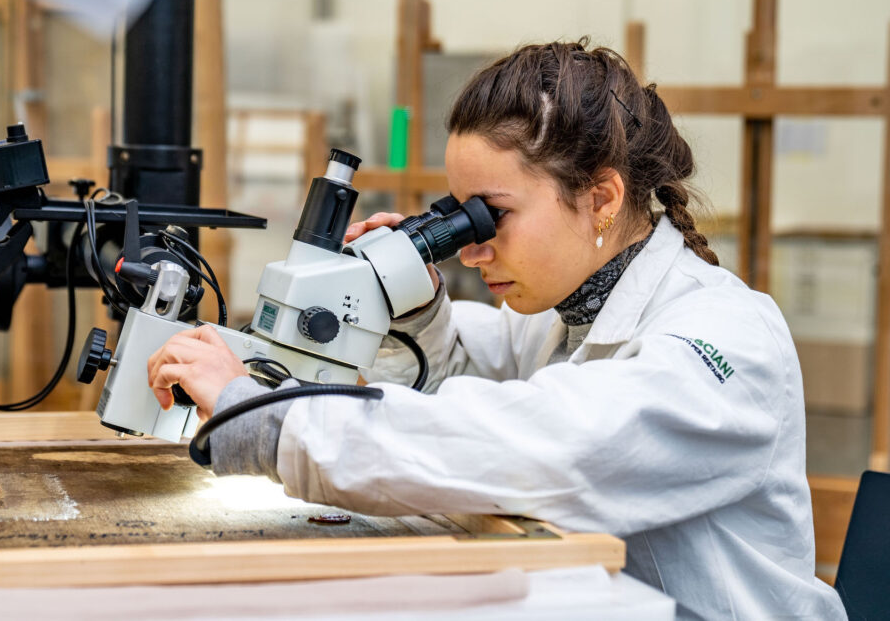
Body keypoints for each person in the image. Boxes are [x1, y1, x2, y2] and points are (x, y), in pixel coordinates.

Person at [146, 39, 846, 620]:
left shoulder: (727, 338)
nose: (473, 250)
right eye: (459, 218)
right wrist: (411, 310)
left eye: (491, 215)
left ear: (601, 197)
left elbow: (553, 446)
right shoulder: (560, 321)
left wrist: (268, 418)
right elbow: (456, 383)